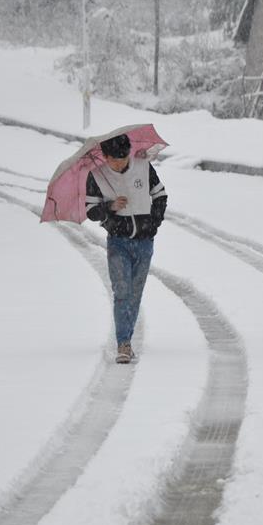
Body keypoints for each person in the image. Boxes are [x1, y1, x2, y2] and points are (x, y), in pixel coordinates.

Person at [85, 134, 168, 363]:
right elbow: (90, 211)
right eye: (114, 160)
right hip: (118, 242)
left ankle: (126, 338)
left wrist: (153, 224)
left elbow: (160, 196)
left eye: (123, 159)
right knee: (122, 291)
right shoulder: (97, 175)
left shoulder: (143, 166)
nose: (120, 164)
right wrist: (110, 207)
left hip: (144, 242)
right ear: (105, 157)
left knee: (134, 293)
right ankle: (124, 343)